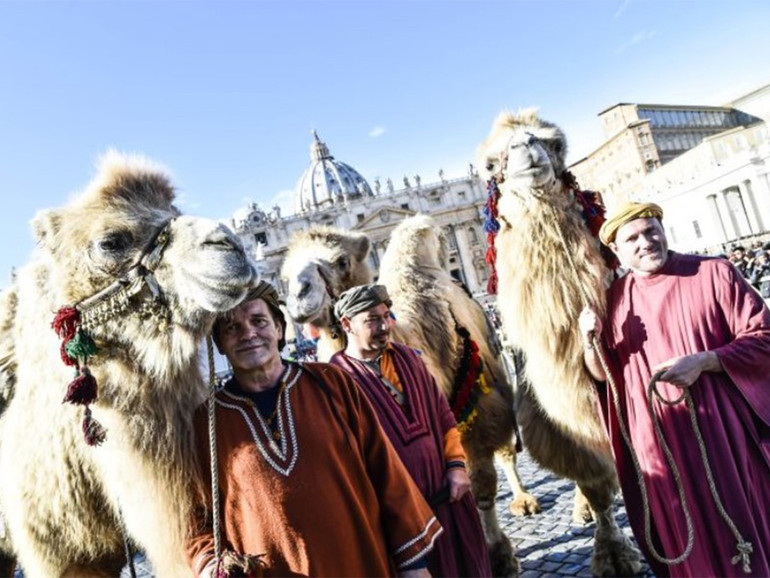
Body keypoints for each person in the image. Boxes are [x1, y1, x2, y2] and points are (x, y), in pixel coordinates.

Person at [185, 281, 442, 578]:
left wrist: (413, 565)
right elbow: (193, 517)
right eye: (232, 328)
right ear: (218, 343)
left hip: (361, 563)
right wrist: (209, 565)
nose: (248, 334)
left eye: (258, 321)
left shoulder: (332, 384)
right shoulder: (206, 423)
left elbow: (386, 471)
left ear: (279, 329)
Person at [578, 202, 770, 577]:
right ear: (616, 250)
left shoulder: (713, 273)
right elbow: (602, 377)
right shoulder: (613, 302)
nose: (646, 242)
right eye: (632, 238)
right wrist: (589, 341)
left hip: (723, 439)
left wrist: (707, 360)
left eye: (652, 231)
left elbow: (764, 337)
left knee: (740, 529)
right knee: (686, 537)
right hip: (660, 450)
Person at [330, 284, 492, 578]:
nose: (384, 327)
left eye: (386, 315)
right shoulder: (336, 380)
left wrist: (456, 467)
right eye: (372, 320)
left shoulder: (408, 358)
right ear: (346, 324)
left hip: (450, 499)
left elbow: (443, 415)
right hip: (400, 522)